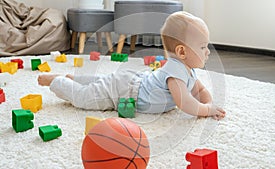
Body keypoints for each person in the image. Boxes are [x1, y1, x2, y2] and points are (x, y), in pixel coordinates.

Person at [38, 11, 226, 120]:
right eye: (202, 47)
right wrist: (206, 110)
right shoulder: (175, 72)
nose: (208, 51)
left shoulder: (187, 70)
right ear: (182, 52)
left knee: (102, 81)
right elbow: (185, 102)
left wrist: (209, 103)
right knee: (85, 98)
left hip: (131, 82)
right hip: (126, 92)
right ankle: (58, 81)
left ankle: (74, 78)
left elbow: (199, 91)